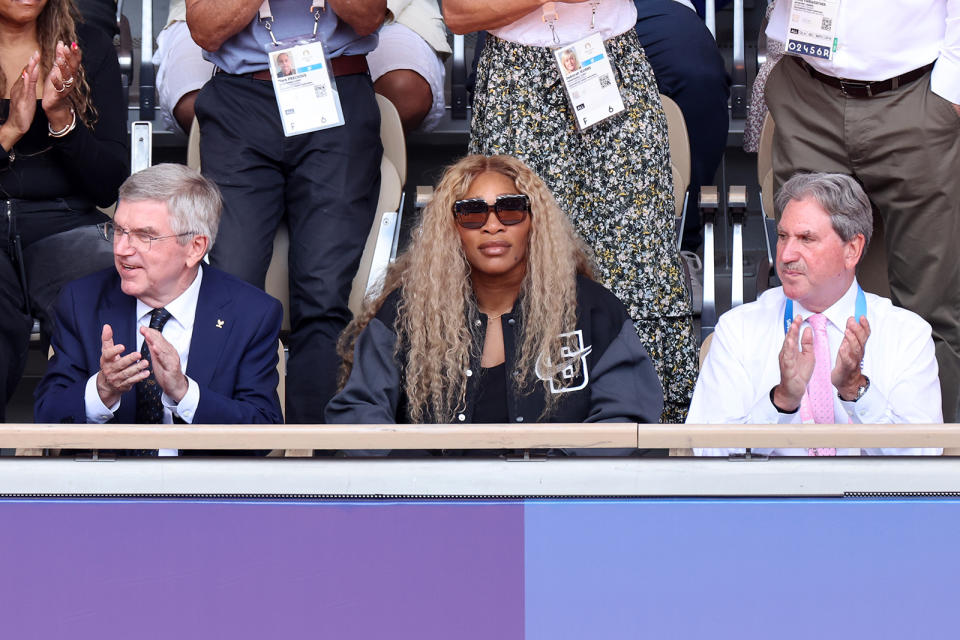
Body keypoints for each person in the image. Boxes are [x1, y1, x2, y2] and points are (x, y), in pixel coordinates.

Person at [445, 0, 698, 424]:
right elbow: (458, 12)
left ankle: (644, 431)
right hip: (516, 80)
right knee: (517, 257)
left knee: (639, 261)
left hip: (610, 60)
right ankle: (525, 429)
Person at [327, 154, 664, 432]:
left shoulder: (592, 310)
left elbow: (628, 417)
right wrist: (421, 482)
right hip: (437, 507)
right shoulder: (406, 312)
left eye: (511, 209)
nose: (493, 225)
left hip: (556, 507)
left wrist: (556, 478)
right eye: (472, 213)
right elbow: (358, 412)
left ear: (534, 222)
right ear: (451, 228)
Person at [186, 0, 385, 423]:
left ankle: (313, 458)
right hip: (241, 99)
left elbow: (369, 16)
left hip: (335, 87)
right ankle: (235, 449)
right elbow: (204, 29)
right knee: (231, 287)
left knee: (324, 291)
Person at [763, 0, 960, 422]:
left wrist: (951, 92)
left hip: (914, 96)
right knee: (807, 292)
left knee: (932, 307)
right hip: (808, 89)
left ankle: (932, 473)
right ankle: (804, 462)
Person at [688, 173, 942, 456]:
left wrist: (856, 390)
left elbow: (923, 456)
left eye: (806, 239)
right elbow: (706, 451)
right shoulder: (739, 329)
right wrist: (781, 402)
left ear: (852, 250)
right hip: (773, 499)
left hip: (867, 500)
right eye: (783, 236)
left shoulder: (907, 334)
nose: (785, 256)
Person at [35, 163, 283, 429]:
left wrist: (185, 393)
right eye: (119, 230)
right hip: (110, 469)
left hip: (205, 470)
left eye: (144, 236)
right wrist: (102, 389)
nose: (121, 249)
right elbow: (47, 417)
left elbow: (262, 430)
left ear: (194, 248)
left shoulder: (251, 313)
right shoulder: (81, 301)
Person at [0, 0, 126, 422]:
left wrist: (61, 118)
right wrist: (11, 131)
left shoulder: (86, 45)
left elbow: (108, 182)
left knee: (108, 279)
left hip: (65, 220)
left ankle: (87, 463)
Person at [156, 0, 448, 135]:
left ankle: (354, 181)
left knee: (404, 94)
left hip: (387, 10)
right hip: (223, 13)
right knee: (194, 104)